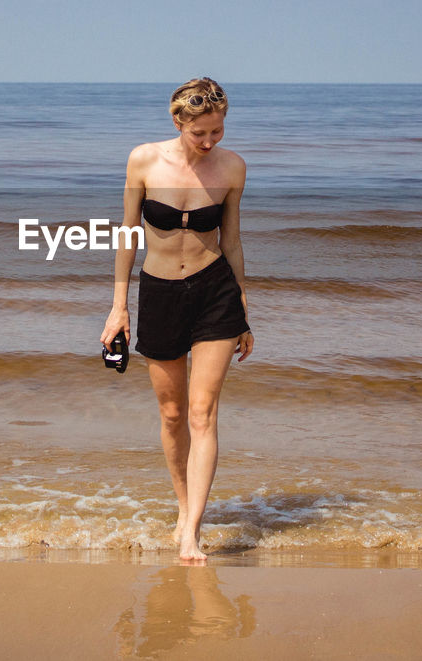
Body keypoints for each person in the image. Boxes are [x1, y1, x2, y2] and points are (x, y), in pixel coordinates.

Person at [100, 77, 254, 562]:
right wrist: (119, 305)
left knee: (202, 412)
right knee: (171, 415)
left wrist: (244, 306)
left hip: (215, 293)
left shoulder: (232, 168)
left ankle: (191, 530)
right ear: (178, 122)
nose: (210, 142)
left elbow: (231, 240)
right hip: (161, 294)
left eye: (218, 131)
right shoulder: (143, 160)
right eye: (200, 133)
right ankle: (183, 507)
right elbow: (127, 233)